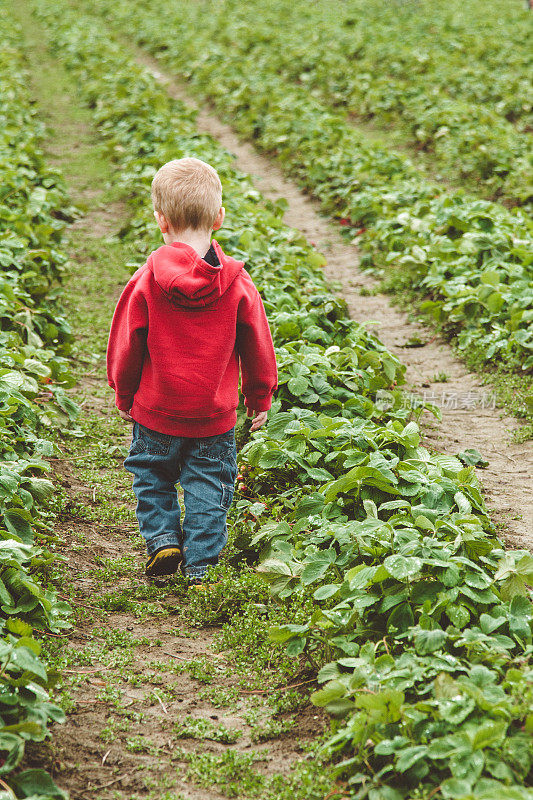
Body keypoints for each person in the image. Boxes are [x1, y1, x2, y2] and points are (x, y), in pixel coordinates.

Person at [106, 157, 277, 585]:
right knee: (208, 485)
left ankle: (163, 539)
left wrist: (123, 395)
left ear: (161, 221)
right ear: (219, 216)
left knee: (151, 475)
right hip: (213, 417)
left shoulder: (146, 281)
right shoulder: (238, 283)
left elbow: (127, 345)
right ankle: (202, 567)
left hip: (157, 409)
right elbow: (258, 346)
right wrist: (260, 398)